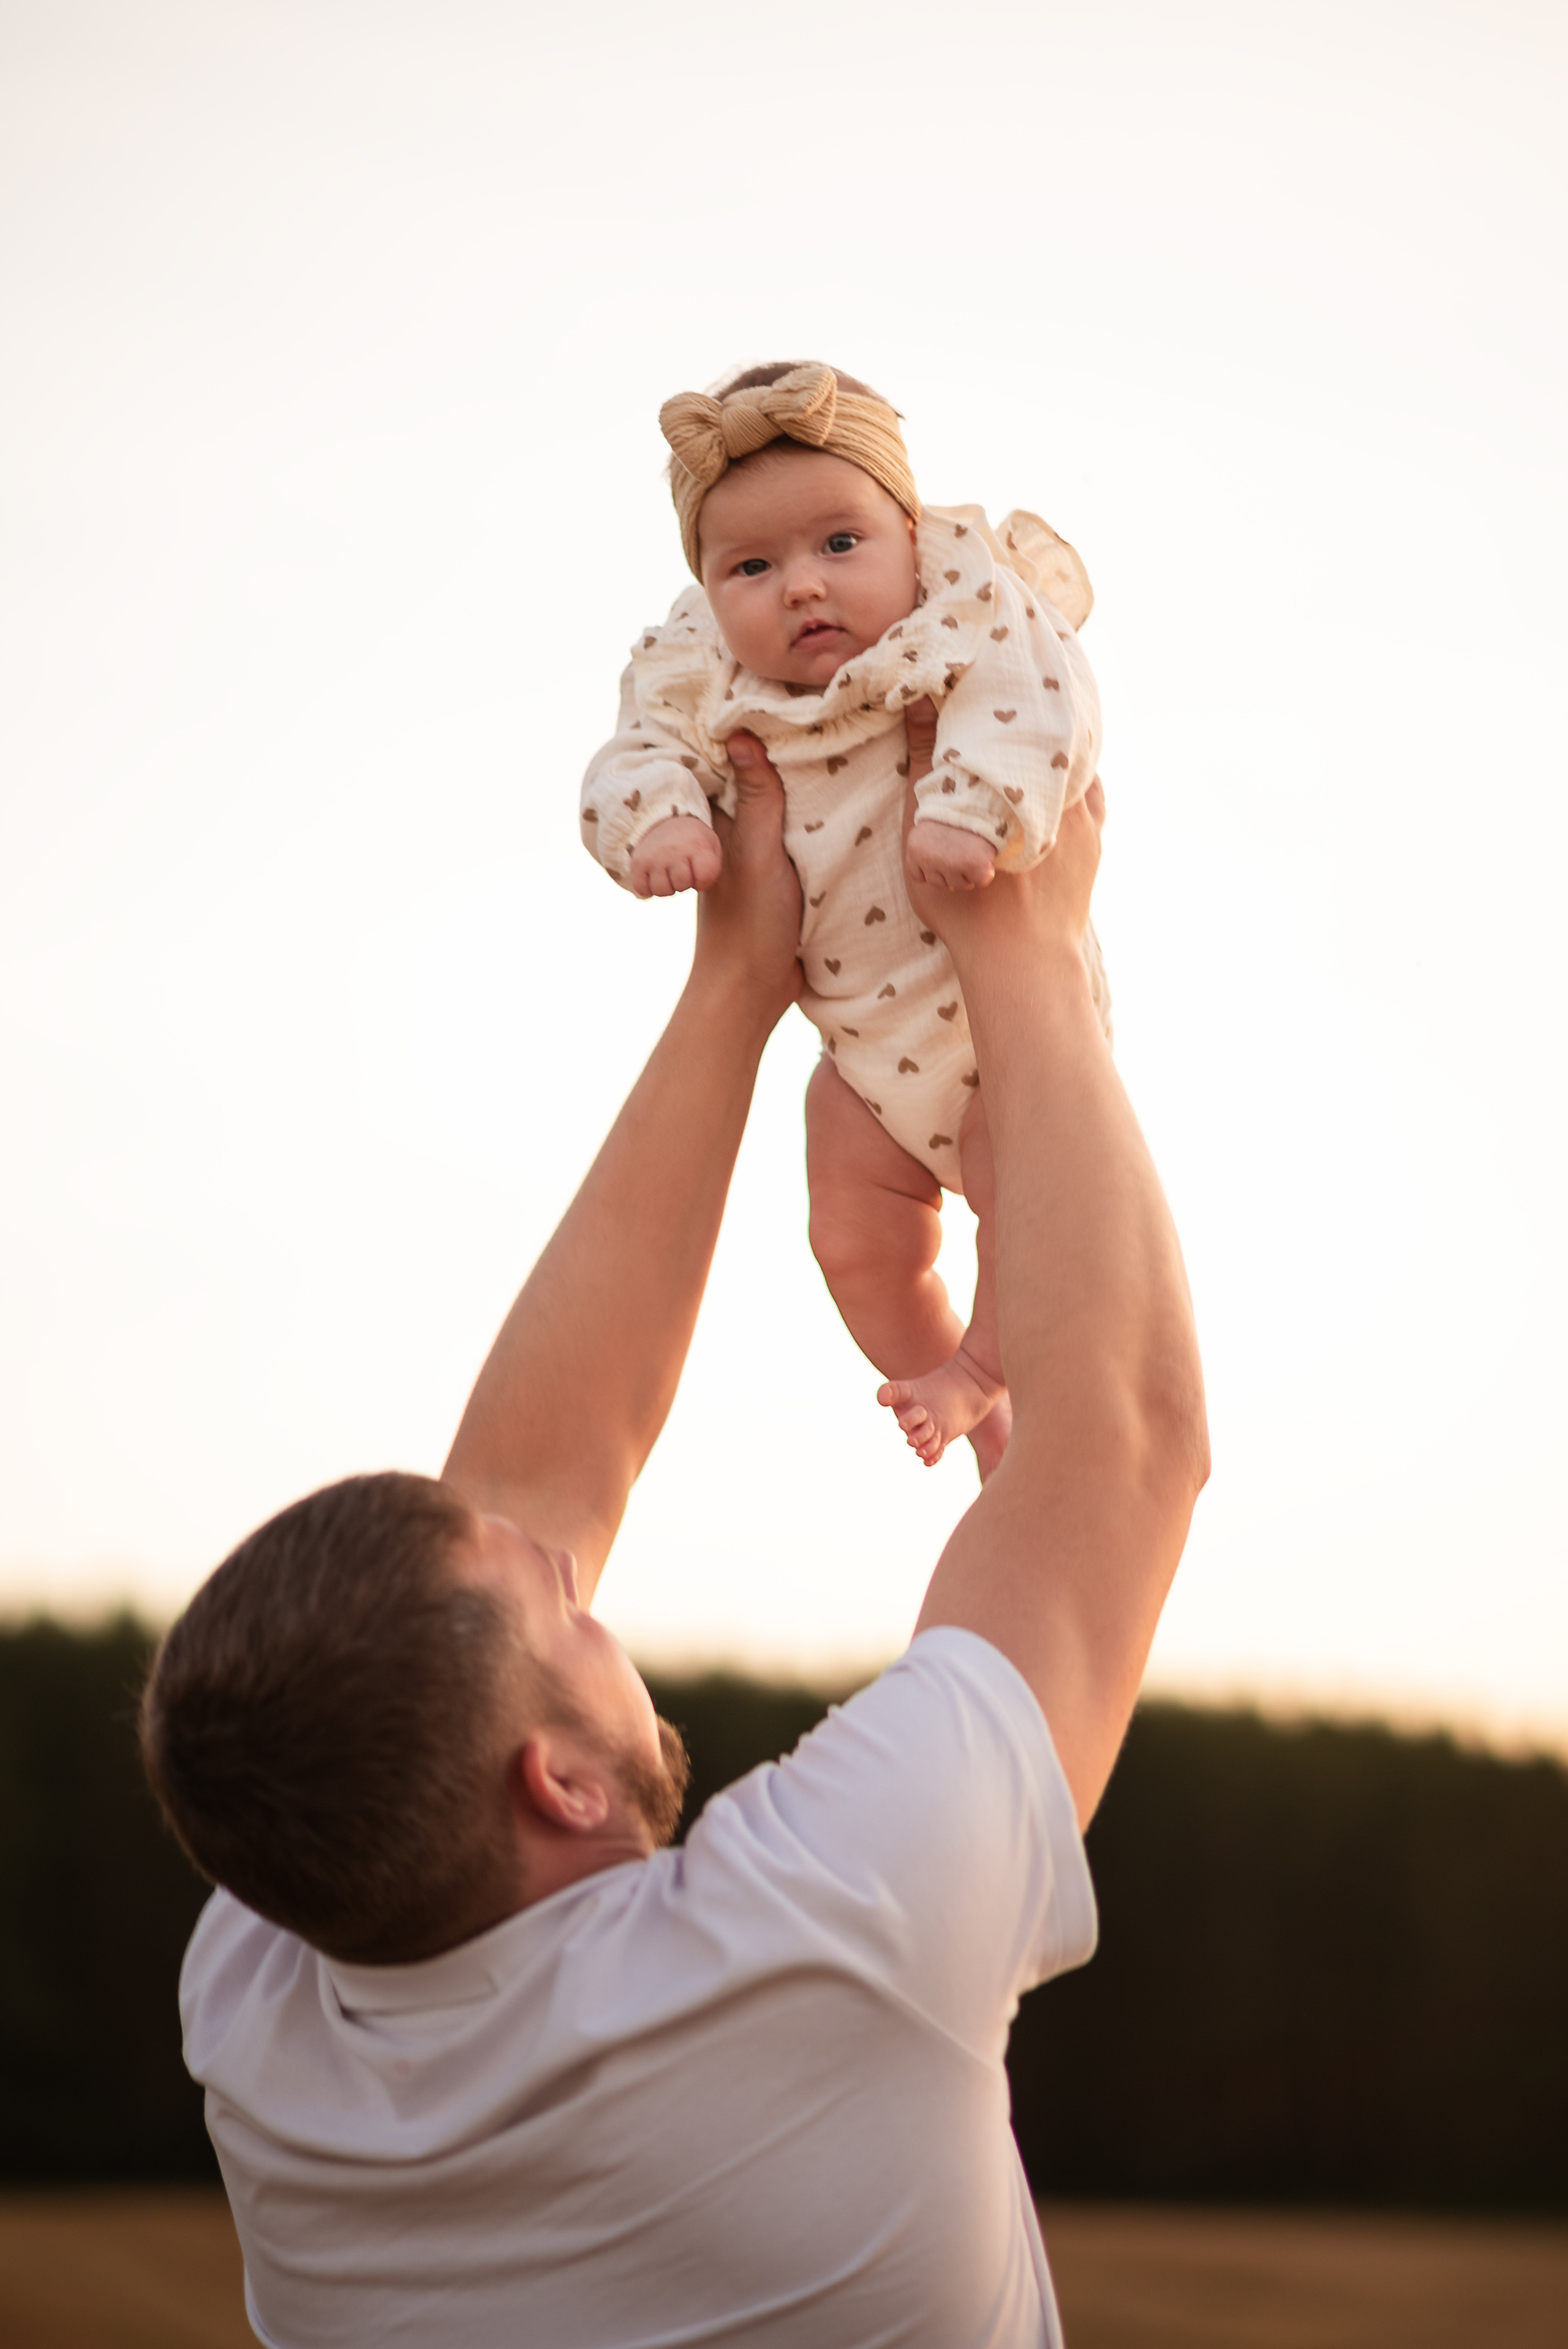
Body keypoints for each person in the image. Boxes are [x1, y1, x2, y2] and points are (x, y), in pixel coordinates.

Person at [140, 704, 1207, 2349]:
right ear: (560, 1784)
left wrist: (735, 984)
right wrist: (1031, 947)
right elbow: (1122, 1442)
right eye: (568, 1612)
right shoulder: (835, 1928)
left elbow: (515, 1508)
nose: (588, 1589)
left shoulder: (273, 1983)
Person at [581, 360, 1112, 1473]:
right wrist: (659, 818)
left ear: (910, 535)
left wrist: (972, 806)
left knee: (1021, 1191)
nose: (802, 587)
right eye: (753, 566)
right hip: (863, 1057)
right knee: (851, 1234)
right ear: (707, 588)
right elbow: (635, 747)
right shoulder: (699, 665)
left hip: (993, 1026)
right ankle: (964, 1401)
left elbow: (1041, 697)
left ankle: (985, 1366)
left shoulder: (964, 599)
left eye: (839, 544)